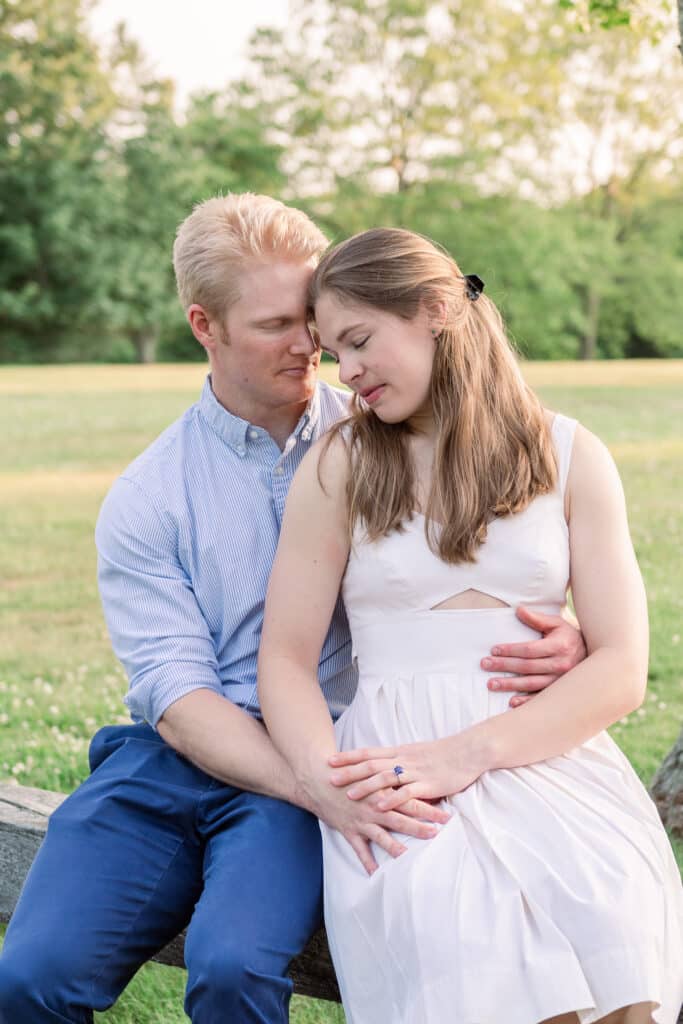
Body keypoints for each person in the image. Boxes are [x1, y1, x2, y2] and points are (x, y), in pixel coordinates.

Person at [0, 196, 585, 1024]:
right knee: (29, 977)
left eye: (315, 318)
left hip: (333, 739)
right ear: (205, 326)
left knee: (233, 967)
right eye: (278, 323)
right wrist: (319, 789)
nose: (313, 345)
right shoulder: (150, 495)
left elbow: (498, 558)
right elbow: (176, 695)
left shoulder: (383, 429)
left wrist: (564, 635)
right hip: (181, 757)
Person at [257, 227, 683, 1024]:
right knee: (462, 938)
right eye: (330, 354)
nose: (343, 374)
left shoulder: (570, 454)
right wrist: (331, 785)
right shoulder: (341, 463)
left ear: (436, 310)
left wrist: (470, 754)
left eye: (357, 342)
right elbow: (283, 659)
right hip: (396, 773)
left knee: (613, 912)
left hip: (541, 748)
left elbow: (622, 666)